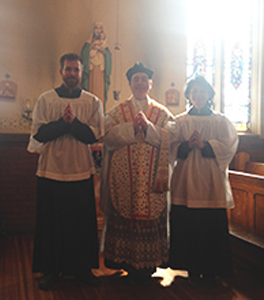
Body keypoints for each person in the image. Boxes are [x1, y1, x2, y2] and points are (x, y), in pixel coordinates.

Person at [27, 53, 104, 290]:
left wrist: (73, 125)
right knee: (52, 225)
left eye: (76, 70)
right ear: (61, 72)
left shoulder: (92, 102)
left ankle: (82, 270)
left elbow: (94, 135)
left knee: (80, 225)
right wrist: (63, 124)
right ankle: (52, 270)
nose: (72, 74)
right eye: (68, 69)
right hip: (51, 172)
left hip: (80, 172)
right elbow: (39, 133)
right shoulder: (46, 99)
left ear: (82, 73)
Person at [100, 62, 176, 285]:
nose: (140, 83)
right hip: (124, 178)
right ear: (130, 84)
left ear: (150, 83)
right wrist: (132, 128)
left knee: (151, 210)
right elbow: (108, 136)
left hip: (152, 178)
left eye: (144, 79)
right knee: (125, 208)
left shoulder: (161, 112)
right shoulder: (118, 111)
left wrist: (150, 128)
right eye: (136, 80)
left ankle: (149, 264)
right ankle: (125, 262)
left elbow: (172, 133)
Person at [169, 76, 238, 288]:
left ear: (209, 94)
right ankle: (192, 268)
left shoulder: (221, 121)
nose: (198, 95)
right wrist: (187, 145)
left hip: (210, 183)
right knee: (188, 225)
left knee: (210, 227)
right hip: (186, 181)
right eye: (194, 91)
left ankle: (210, 270)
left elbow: (229, 146)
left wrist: (206, 145)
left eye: (202, 91)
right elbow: (170, 148)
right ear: (189, 95)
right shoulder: (180, 121)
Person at [81, 21, 112, 110]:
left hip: (100, 72)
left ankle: (100, 110)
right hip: (91, 71)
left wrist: (102, 50)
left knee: (100, 94)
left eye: (100, 28)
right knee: (90, 91)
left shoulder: (104, 44)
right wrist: (93, 45)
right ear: (93, 30)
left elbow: (108, 56)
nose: (98, 30)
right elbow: (84, 54)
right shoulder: (88, 44)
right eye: (96, 28)